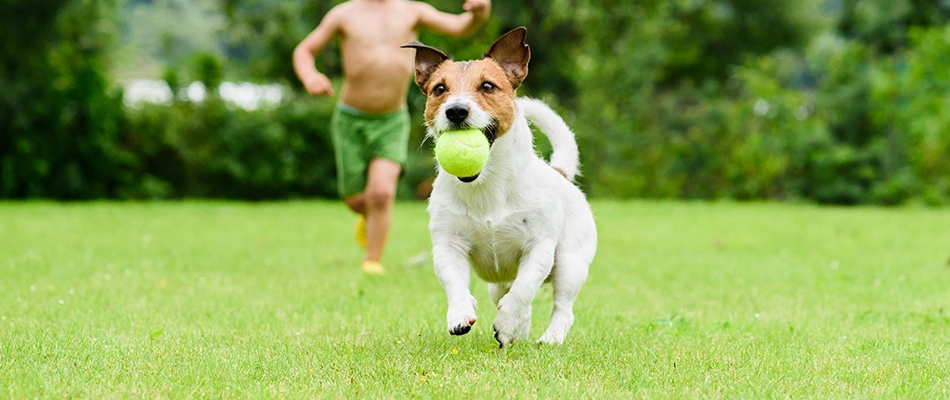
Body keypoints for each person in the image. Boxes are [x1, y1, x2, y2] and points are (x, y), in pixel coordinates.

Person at [293, 0, 491, 274]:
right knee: (354, 199)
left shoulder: (412, 11)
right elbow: (304, 50)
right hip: (350, 119)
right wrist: (310, 76)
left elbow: (459, 26)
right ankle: (367, 216)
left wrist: (478, 15)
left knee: (382, 193)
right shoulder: (344, 14)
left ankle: (372, 261)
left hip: (391, 120)